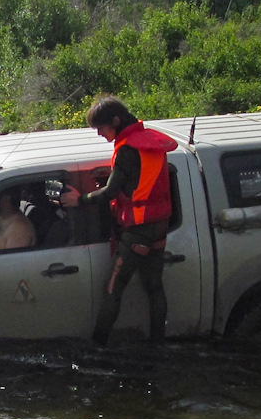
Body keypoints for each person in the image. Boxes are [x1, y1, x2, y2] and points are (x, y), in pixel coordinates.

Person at [59, 95, 178, 344]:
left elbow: (110, 192)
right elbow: (140, 181)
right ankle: (158, 343)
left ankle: (98, 345)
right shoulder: (150, 143)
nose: (100, 134)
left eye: (101, 128)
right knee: (155, 288)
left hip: (137, 231)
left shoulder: (126, 150)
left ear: (115, 120)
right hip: (160, 227)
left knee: (113, 288)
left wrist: (79, 201)